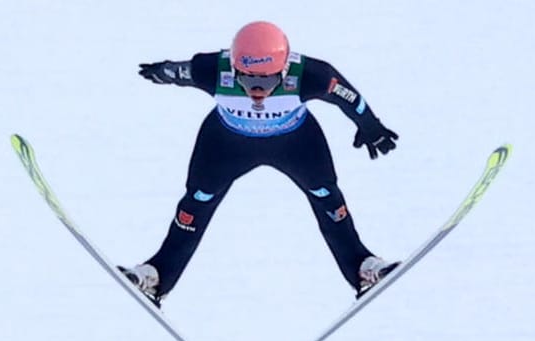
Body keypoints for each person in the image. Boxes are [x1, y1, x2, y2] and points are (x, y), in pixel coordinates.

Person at [120, 20, 400, 305]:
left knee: (328, 198)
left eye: (267, 81)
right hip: (227, 143)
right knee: (196, 202)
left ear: (286, 69)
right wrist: (160, 72)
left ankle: (362, 267)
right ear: (233, 67)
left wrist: (371, 127)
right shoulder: (214, 69)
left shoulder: (312, 75)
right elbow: (178, 72)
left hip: (294, 143)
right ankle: (156, 275)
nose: (257, 90)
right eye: (246, 79)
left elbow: (350, 99)